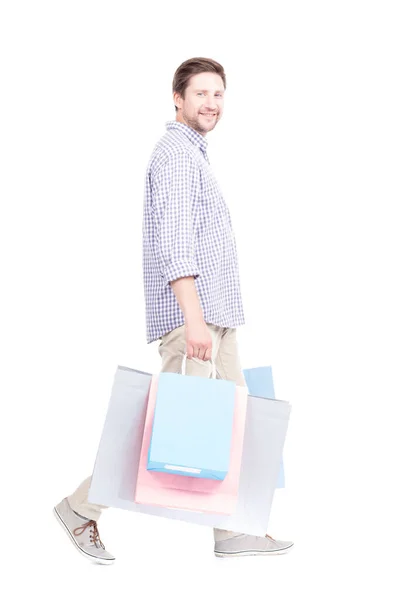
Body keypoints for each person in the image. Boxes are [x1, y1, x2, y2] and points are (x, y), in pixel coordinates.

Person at [53, 57, 294, 564]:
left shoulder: (194, 155)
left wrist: (211, 320)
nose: (211, 103)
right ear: (177, 98)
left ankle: (232, 530)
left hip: (217, 319)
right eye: (200, 93)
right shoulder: (176, 157)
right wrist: (193, 317)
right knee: (160, 431)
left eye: (218, 94)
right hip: (198, 319)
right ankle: (81, 509)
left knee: (233, 425)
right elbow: (175, 244)